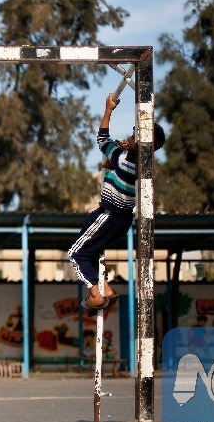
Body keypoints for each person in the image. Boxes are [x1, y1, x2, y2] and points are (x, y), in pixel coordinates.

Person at [69, 93, 165, 316]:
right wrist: (116, 157)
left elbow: (102, 138)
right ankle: (105, 288)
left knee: (76, 253)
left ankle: (95, 295)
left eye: (132, 136)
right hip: (122, 219)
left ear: (139, 143)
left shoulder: (121, 157)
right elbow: (117, 161)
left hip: (109, 213)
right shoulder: (142, 166)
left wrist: (108, 109)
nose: (128, 138)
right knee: (92, 251)